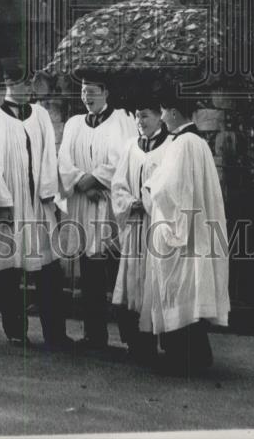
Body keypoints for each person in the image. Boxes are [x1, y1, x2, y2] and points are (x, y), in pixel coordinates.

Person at [0, 58, 72, 350]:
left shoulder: (39, 116)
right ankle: (16, 331)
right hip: (10, 205)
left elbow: (49, 156)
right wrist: (0, 204)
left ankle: (56, 332)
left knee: (49, 270)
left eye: (31, 83)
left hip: (39, 204)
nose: (29, 88)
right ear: (9, 85)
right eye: (24, 83)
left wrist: (50, 194)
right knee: (10, 272)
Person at [141, 96, 230, 376]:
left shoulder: (182, 144)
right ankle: (198, 354)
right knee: (190, 290)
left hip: (181, 232)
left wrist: (149, 187)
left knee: (179, 288)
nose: (163, 117)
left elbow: (170, 189)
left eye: (164, 111)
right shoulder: (199, 143)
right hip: (196, 229)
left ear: (174, 112)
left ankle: (182, 357)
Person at [57, 71, 137, 349]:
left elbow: (123, 160)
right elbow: (64, 160)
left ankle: (131, 336)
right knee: (89, 273)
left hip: (109, 205)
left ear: (106, 93)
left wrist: (93, 180)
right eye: (83, 91)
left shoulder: (122, 121)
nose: (86, 96)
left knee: (117, 271)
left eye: (92, 91)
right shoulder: (74, 124)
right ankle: (95, 335)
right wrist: (81, 182)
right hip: (84, 205)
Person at [111, 103, 171, 363]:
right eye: (136, 116)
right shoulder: (130, 147)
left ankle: (164, 342)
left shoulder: (170, 146)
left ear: (159, 117)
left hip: (156, 225)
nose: (140, 121)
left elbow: (170, 186)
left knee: (156, 281)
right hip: (134, 225)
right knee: (132, 283)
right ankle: (137, 343)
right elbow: (118, 184)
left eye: (145, 116)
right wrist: (129, 203)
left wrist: (148, 203)